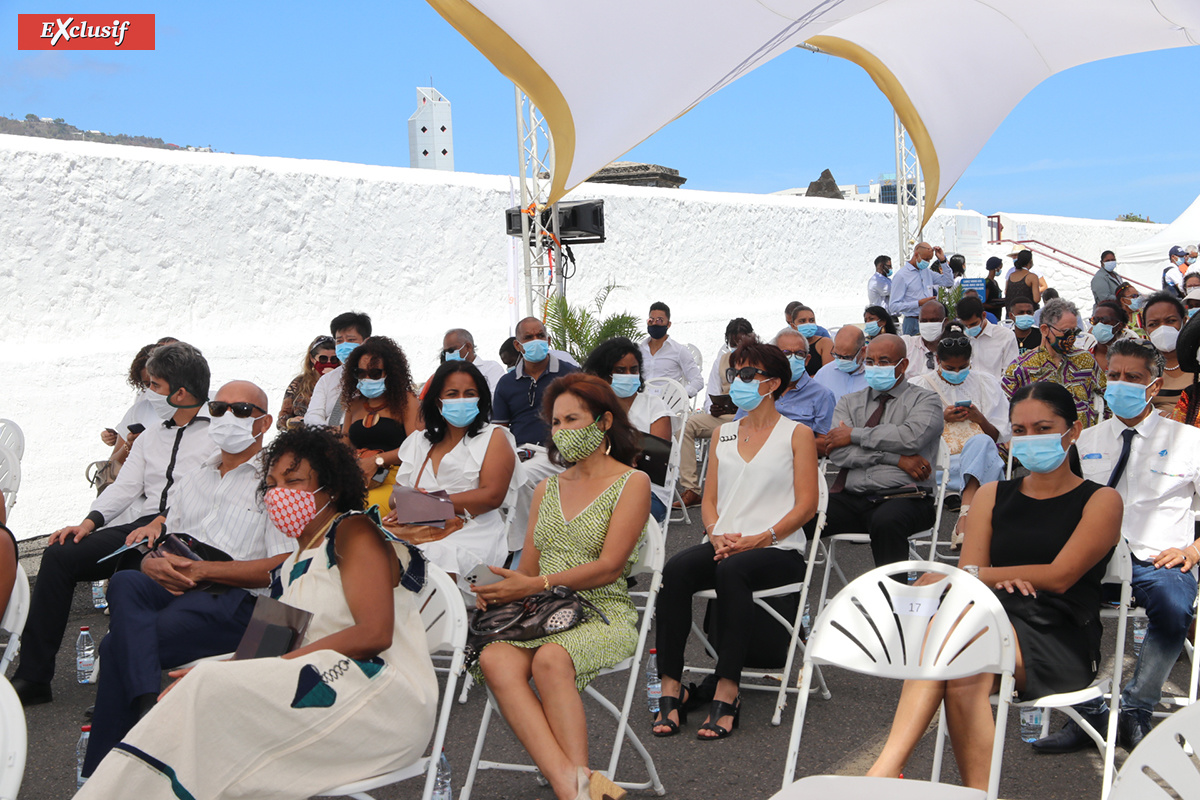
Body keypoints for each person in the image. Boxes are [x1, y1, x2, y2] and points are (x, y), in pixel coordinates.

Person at [77, 426, 439, 799]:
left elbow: (374, 634)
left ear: (330, 486)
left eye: (293, 481)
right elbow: (268, 646)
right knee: (201, 695)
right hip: (318, 683)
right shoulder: (298, 557)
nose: (278, 493)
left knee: (207, 692)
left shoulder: (353, 530)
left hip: (378, 697)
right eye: (271, 482)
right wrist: (232, 666)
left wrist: (252, 670)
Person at [867, 382, 1121, 791]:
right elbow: (976, 568)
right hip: (993, 619)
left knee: (958, 642)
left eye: (1043, 427)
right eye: (1019, 431)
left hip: (1059, 633)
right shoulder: (990, 494)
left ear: (1072, 432)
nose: (1029, 438)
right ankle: (968, 793)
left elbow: (1058, 576)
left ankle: (881, 776)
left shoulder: (1101, 500)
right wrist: (993, 576)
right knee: (963, 664)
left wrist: (984, 575)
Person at [81, 381, 294, 776]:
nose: (227, 417)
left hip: (237, 599)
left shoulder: (275, 481)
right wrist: (150, 562)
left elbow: (284, 562)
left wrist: (205, 571)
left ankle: (103, 775)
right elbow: (168, 537)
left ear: (263, 423)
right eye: (218, 408)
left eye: (242, 411)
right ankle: (146, 702)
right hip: (177, 586)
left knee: (116, 648)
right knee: (128, 579)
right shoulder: (196, 474)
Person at [469, 373, 650, 800]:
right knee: (494, 658)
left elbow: (609, 568)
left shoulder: (631, 482)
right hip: (539, 612)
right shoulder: (547, 488)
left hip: (602, 612)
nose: (561, 431)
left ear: (604, 422)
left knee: (551, 659)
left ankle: (572, 789)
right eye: (555, 422)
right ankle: (576, 786)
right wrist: (500, 587)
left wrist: (533, 583)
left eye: (572, 419)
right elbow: (527, 568)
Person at [12, 342, 216, 707]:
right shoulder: (153, 435)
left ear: (181, 393)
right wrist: (88, 524)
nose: (148, 393)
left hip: (189, 532)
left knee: (131, 574)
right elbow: (124, 487)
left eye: (155, 386)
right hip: (141, 526)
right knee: (61, 554)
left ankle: (125, 686)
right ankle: (33, 676)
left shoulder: (218, 435)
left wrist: (162, 522)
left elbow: (205, 493)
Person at [1035, 339, 1200, 755]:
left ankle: (1137, 708)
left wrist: (1194, 551)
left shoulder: (1189, 441)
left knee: (1174, 606)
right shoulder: (1086, 440)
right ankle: (1086, 709)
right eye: (1114, 376)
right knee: (1045, 604)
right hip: (1095, 557)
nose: (1120, 384)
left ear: (1153, 385)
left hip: (1158, 559)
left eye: (1133, 377)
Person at [652, 340, 819, 740]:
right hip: (726, 543)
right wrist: (715, 533)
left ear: (773, 382)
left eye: (747, 374)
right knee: (675, 570)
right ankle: (671, 689)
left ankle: (728, 690)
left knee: (732, 572)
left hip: (778, 548)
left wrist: (762, 537)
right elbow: (709, 499)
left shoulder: (797, 434)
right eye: (734, 373)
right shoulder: (725, 434)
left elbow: (807, 505)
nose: (737, 381)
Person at [817, 334, 944, 566]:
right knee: (802, 515)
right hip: (852, 498)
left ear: (903, 365)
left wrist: (854, 435)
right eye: (870, 362)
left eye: (884, 362)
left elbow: (910, 438)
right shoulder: (849, 401)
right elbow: (838, 452)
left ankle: (894, 598)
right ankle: (783, 595)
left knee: (887, 521)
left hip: (906, 496)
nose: (875, 367)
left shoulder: (926, 400)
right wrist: (897, 459)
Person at [393, 361, 519, 577]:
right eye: (452, 394)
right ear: (438, 402)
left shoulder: (494, 437)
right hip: (421, 531)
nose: (462, 400)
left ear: (480, 399)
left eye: (469, 393)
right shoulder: (420, 441)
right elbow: (395, 497)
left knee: (429, 558)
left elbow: (491, 497)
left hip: (474, 531)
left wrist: (429, 503)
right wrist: (421, 504)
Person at [913, 324, 1010, 545]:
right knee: (982, 448)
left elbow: (997, 437)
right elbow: (912, 436)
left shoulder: (986, 384)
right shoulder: (919, 386)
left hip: (980, 460)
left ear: (970, 362)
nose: (957, 372)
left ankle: (965, 516)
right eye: (950, 367)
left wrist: (979, 418)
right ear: (937, 360)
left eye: (963, 367)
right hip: (937, 464)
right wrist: (941, 418)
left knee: (982, 442)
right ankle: (968, 516)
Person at [493, 316, 581, 554]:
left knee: (518, 476)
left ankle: (520, 551)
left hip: (558, 452)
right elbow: (499, 430)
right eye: (529, 338)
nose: (536, 341)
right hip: (521, 452)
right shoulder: (506, 383)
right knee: (491, 476)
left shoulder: (570, 376)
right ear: (518, 345)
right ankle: (522, 545)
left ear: (548, 339)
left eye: (540, 336)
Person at [583, 338, 673, 523]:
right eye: (620, 370)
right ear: (604, 375)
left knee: (603, 520)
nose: (629, 375)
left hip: (648, 491)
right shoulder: (593, 409)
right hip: (598, 487)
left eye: (634, 369)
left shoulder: (654, 406)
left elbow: (654, 462)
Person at [676, 319, 753, 509]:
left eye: (742, 342)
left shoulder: (760, 359)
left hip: (751, 416)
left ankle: (740, 490)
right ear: (728, 341)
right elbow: (712, 392)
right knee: (685, 427)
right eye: (733, 343)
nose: (737, 348)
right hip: (725, 416)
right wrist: (713, 408)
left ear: (751, 338)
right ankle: (692, 489)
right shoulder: (722, 360)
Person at [339, 336, 422, 511]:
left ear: (390, 373)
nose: (367, 378)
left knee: (361, 507)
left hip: (396, 477)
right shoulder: (352, 403)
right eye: (360, 373)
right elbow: (344, 444)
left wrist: (377, 460)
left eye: (375, 373)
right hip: (358, 477)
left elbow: (418, 447)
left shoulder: (406, 401)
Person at [1003, 298, 1107, 428]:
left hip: (1083, 440)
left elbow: (1108, 396)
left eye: (1075, 332)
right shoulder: (1021, 368)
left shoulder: (1085, 360)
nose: (1071, 338)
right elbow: (1003, 411)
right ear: (1045, 330)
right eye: (1066, 332)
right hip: (1040, 441)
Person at [99, 339, 179, 491]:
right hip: (145, 500)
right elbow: (112, 465)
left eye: (157, 382)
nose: (152, 390)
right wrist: (129, 445)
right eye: (147, 384)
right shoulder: (139, 411)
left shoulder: (200, 406)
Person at [738, 330, 835, 452]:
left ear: (807, 359)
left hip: (795, 461)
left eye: (799, 354)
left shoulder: (822, 395)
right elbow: (738, 427)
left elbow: (826, 443)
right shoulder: (759, 387)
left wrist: (786, 443)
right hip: (752, 454)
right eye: (786, 353)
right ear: (773, 358)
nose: (792, 358)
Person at [304, 311, 372, 427]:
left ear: (366, 341)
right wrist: (329, 432)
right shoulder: (327, 380)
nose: (344, 345)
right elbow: (313, 415)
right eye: (339, 341)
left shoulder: (377, 376)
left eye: (351, 340)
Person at [1141, 292, 1195, 414]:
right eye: (1153, 324)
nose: (1163, 328)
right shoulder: (1141, 367)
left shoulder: (1197, 358)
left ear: (1184, 322)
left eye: (1170, 321)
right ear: (1145, 329)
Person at [889, 242, 955, 335]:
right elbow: (893, 306)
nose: (927, 262)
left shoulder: (927, 272)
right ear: (916, 254)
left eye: (929, 260)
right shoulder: (902, 276)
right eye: (925, 259)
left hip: (930, 321)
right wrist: (918, 303)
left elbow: (948, 282)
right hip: (913, 321)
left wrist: (943, 260)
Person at [640, 301, 704, 397]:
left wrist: (681, 396)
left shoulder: (679, 351)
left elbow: (697, 380)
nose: (654, 323)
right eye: (651, 320)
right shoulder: (639, 350)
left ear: (668, 324)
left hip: (667, 405)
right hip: (641, 403)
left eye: (660, 320)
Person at [279, 336, 338, 431]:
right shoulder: (299, 382)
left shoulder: (342, 382)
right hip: (301, 438)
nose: (328, 362)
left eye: (334, 359)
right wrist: (290, 421)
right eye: (323, 359)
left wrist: (333, 381)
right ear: (312, 358)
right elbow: (281, 419)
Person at [955, 296, 1019, 378]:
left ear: (983, 315)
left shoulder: (1005, 336)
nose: (969, 328)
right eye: (965, 325)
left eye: (973, 324)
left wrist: (992, 389)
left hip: (997, 389)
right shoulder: (958, 337)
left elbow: (1010, 372)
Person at [441, 328, 507, 392]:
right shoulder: (445, 374)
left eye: (451, 350)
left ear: (468, 347)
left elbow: (494, 398)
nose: (447, 355)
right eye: (445, 352)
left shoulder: (491, 368)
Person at [813, 325, 867, 404]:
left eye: (847, 357)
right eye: (837, 355)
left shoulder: (874, 376)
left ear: (863, 352)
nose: (841, 360)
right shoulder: (823, 374)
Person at [1079, 300, 1133, 372]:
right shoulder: (1083, 358)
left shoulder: (1131, 356)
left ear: (1119, 326)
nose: (1099, 324)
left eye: (1104, 320)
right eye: (1095, 320)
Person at [902, 300, 949, 379]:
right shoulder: (906, 344)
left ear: (945, 322)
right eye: (924, 321)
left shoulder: (953, 348)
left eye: (933, 320)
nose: (928, 324)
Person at [787, 304, 833, 376]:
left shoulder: (825, 343)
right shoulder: (788, 346)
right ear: (793, 326)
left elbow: (828, 374)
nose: (808, 324)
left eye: (811, 320)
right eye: (802, 321)